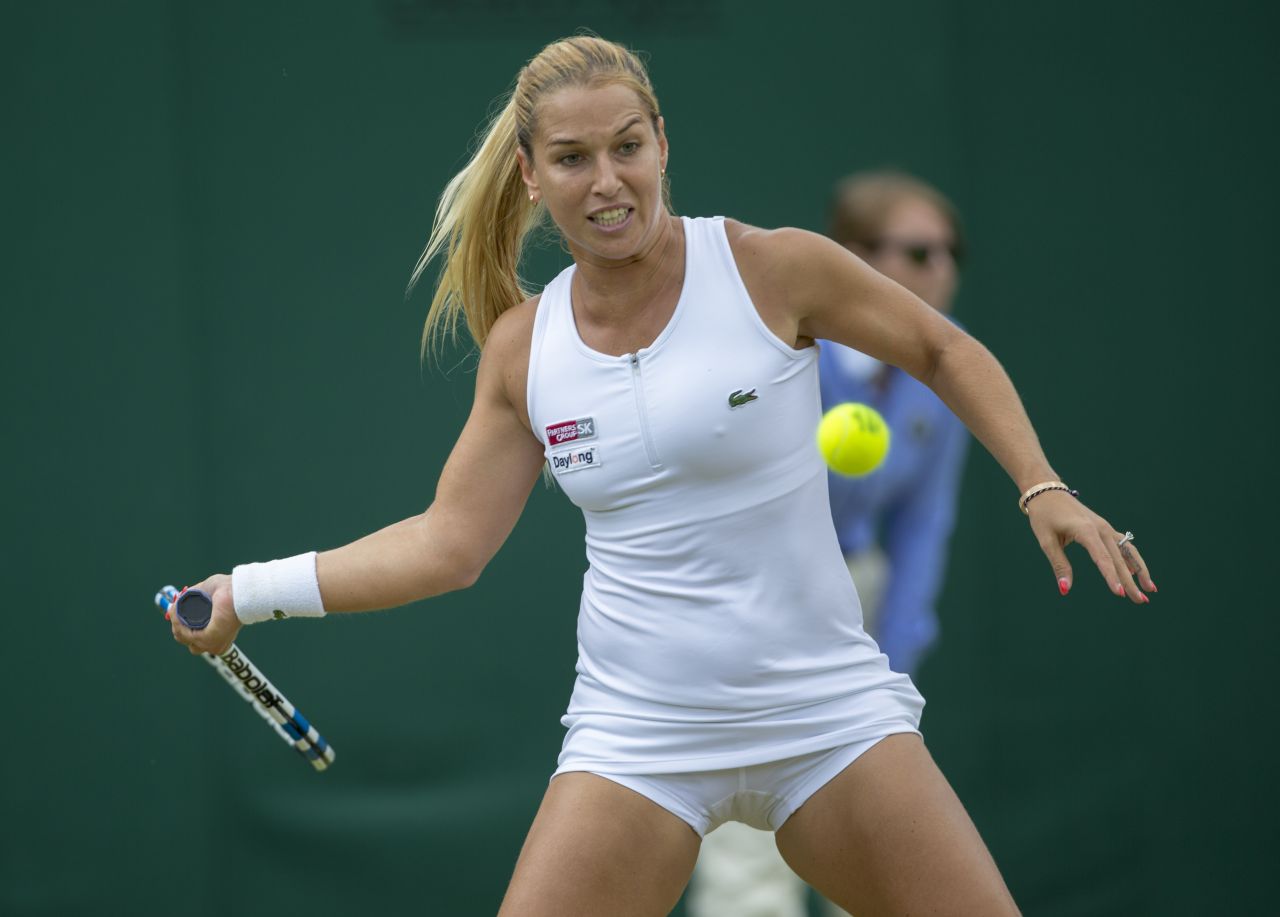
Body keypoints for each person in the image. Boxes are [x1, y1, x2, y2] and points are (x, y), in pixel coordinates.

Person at [170, 36, 1155, 917]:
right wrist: (246, 592)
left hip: (822, 716)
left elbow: (940, 350)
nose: (606, 180)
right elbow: (446, 542)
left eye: (625, 145)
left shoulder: (773, 269)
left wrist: (1041, 484)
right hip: (637, 734)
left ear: (661, 143)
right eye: (570, 157)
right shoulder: (525, 349)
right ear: (529, 174)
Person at [689, 171, 973, 917]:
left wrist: (896, 658)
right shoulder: (777, 351)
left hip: (857, 601)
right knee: (748, 834)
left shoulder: (945, 369)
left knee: (877, 835)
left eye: (950, 253)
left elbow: (922, 527)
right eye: (916, 252)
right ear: (852, 255)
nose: (938, 271)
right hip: (751, 603)